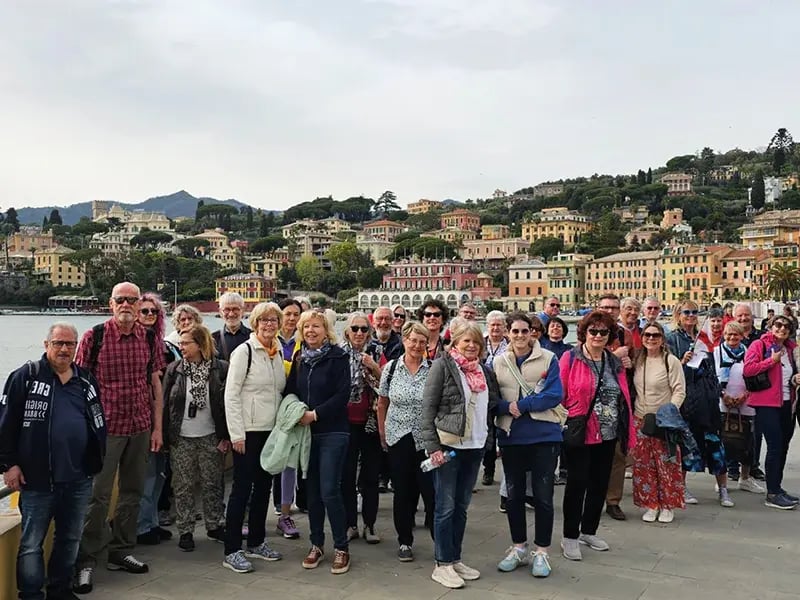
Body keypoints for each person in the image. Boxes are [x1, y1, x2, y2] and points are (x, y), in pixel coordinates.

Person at [0, 322, 106, 600]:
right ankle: (31, 594)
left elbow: (97, 420)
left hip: (78, 477)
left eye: (70, 344)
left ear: (76, 347)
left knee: (70, 539)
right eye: (58, 343)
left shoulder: (85, 380)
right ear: (46, 345)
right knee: (32, 543)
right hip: (37, 478)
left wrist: (96, 459)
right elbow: (5, 425)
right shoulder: (25, 377)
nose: (64, 349)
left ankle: (60, 590)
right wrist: (9, 464)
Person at [74, 282, 167, 594]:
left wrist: (157, 428)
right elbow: (77, 388)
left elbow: (155, 385)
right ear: (110, 303)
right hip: (105, 430)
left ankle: (121, 550)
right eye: (121, 300)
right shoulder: (94, 337)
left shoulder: (150, 336)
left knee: (133, 491)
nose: (127, 305)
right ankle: (85, 561)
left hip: (139, 425)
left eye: (132, 300)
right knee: (97, 495)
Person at [421, 320, 500, 590]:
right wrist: (433, 447)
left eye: (476, 341)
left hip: (475, 446)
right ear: (454, 342)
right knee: (445, 506)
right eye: (466, 340)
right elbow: (428, 408)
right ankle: (441, 564)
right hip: (448, 446)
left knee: (462, 507)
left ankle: (455, 558)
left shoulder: (483, 371)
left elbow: (489, 407)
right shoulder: (443, 366)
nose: (471, 346)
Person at [558, 311, 635, 561]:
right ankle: (569, 536)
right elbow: (559, 392)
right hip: (581, 430)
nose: (598, 336)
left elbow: (623, 395)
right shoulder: (570, 358)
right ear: (584, 333)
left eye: (604, 332)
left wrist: (629, 430)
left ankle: (588, 530)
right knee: (577, 484)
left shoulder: (613, 362)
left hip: (609, 432)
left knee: (600, 483)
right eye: (593, 331)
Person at [493, 312, 563, 578]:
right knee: (514, 496)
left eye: (526, 331)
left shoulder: (548, 358)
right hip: (512, 437)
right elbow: (492, 397)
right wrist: (505, 407)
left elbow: (555, 395)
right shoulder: (499, 362)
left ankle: (542, 551)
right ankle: (519, 546)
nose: (521, 336)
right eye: (516, 331)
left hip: (544, 435)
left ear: (533, 333)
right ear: (508, 333)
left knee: (543, 496)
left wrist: (521, 406)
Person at [285, 310, 352, 574]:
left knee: (329, 490)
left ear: (326, 330)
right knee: (311, 492)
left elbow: (343, 394)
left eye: (316, 326)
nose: (311, 331)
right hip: (306, 434)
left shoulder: (338, 356)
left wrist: (315, 414)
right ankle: (316, 544)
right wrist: (294, 411)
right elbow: (291, 390)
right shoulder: (300, 358)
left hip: (333, 431)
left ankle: (341, 547)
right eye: (306, 327)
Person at [222, 302, 287, 573]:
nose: (269, 324)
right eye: (264, 320)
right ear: (256, 323)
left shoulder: (277, 352)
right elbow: (231, 395)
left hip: (269, 432)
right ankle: (232, 549)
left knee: (263, 489)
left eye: (274, 320)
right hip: (247, 433)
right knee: (241, 490)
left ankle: (257, 541)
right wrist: (236, 434)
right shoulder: (244, 352)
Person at [162, 325, 229, 552]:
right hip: (182, 436)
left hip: (210, 434)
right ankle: (186, 530)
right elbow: (165, 404)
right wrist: (164, 435)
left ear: (200, 345)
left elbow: (227, 405)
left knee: (212, 483)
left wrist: (226, 435)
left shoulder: (220, 369)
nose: (181, 347)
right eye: (180, 343)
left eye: (185, 343)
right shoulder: (175, 370)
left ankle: (214, 524)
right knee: (183, 486)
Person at [377, 321, 435, 562]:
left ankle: (438, 539)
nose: (417, 345)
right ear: (404, 340)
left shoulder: (434, 369)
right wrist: (382, 432)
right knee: (402, 491)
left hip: (426, 439)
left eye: (422, 342)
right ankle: (404, 541)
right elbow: (382, 403)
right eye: (413, 340)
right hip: (398, 436)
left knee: (430, 491)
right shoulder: (391, 369)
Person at [666, 300, 731, 508]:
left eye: (695, 312)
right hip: (687, 399)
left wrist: (719, 390)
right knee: (686, 444)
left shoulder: (705, 337)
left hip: (708, 397)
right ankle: (681, 487)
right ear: (678, 314)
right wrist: (681, 361)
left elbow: (714, 366)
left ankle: (723, 489)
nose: (691, 315)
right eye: (687, 312)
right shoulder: (672, 339)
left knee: (716, 444)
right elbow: (666, 368)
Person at [631, 322, 686, 523]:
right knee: (643, 464)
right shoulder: (639, 360)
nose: (651, 339)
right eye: (647, 335)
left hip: (663, 420)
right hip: (641, 419)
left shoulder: (670, 361)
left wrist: (669, 412)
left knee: (667, 464)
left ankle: (667, 505)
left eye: (655, 335)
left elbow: (679, 390)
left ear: (662, 339)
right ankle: (650, 503)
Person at [743, 315, 799, 510]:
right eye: (778, 325)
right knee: (774, 446)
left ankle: (777, 487)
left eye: (787, 326)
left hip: (787, 403)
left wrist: (795, 380)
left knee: (783, 446)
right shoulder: (760, 345)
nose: (782, 328)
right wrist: (771, 361)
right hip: (766, 404)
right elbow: (748, 369)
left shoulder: (792, 349)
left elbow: (788, 376)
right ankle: (772, 493)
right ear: (770, 326)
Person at [135, 293, 175, 547]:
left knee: (160, 474)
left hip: (165, 417)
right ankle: (142, 527)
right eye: (145, 311)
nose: (150, 315)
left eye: (154, 312)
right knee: (147, 475)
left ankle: (151, 522)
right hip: (143, 418)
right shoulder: (135, 344)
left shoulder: (163, 345)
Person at [340, 312, 383, 544]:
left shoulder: (377, 351)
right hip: (345, 421)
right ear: (347, 331)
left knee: (370, 476)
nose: (359, 333)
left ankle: (370, 523)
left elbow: (387, 383)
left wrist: (374, 366)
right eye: (355, 329)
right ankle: (350, 524)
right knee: (346, 475)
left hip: (371, 422)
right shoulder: (337, 354)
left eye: (364, 329)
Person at [713, 322, 765, 494]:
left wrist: (745, 396)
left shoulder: (750, 353)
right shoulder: (716, 352)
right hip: (723, 403)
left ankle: (745, 477)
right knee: (723, 443)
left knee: (748, 442)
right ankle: (722, 480)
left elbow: (755, 374)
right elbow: (712, 377)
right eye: (728, 334)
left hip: (746, 403)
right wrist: (723, 395)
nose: (732, 338)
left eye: (736, 334)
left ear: (742, 335)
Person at [597, 294, 634, 522]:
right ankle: (592, 497)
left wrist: (628, 363)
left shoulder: (625, 334)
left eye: (613, 308)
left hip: (618, 399)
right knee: (592, 453)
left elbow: (629, 363)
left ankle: (613, 501)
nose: (610, 311)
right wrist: (614, 356)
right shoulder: (588, 330)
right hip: (593, 400)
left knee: (618, 454)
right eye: (605, 307)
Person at [272, 298, 303, 530]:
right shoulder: (269, 340)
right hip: (269, 407)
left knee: (289, 463)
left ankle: (285, 512)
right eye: (288, 314)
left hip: (293, 407)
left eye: (296, 314)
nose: (291, 318)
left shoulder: (304, 342)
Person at [730, 302, 765, 482]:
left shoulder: (761, 337)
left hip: (755, 391)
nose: (743, 319)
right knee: (732, 430)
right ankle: (733, 467)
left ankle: (753, 466)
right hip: (733, 394)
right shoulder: (730, 337)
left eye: (746, 315)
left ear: (752, 317)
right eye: (740, 316)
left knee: (754, 432)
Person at [480, 310, 508, 486]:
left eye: (499, 325)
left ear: (505, 328)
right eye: (492, 325)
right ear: (487, 326)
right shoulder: (480, 344)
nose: (496, 328)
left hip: (504, 391)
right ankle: (488, 470)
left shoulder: (510, 345)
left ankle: (508, 472)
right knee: (488, 431)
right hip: (484, 392)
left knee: (504, 430)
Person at [213, 292, 251, 361]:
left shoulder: (253, 337)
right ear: (220, 312)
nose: (231, 314)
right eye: (227, 309)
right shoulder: (213, 339)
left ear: (242, 311)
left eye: (235, 309)